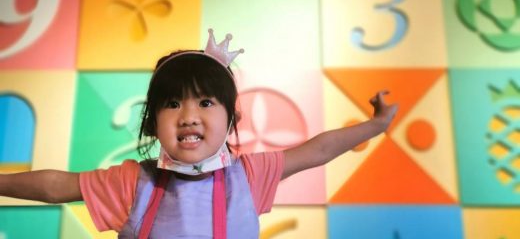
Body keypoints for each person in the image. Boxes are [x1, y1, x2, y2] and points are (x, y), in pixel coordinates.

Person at [0, 29, 398, 238]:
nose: (189, 116)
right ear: (153, 121)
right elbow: (56, 187)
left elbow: (319, 150)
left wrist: (376, 125)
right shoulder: (133, 182)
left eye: (205, 102)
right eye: (173, 103)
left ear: (231, 117)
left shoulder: (249, 176)